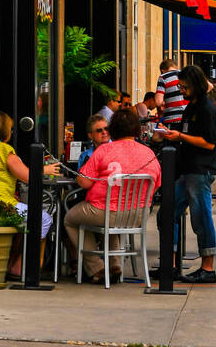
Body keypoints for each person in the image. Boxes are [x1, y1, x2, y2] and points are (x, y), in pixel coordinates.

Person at [67, 107, 161, 283]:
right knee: (109, 219)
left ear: (113, 129)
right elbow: (155, 185)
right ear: (136, 128)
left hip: (105, 212)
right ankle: (115, 265)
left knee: (70, 219)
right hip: (138, 215)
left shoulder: (103, 151)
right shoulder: (148, 153)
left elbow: (84, 182)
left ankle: (97, 267)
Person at [0, 110, 59, 275]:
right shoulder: (4, 150)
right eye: (11, 129)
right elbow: (28, 176)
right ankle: (23, 267)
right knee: (43, 218)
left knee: (23, 220)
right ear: (5, 132)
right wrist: (46, 169)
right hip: (0, 207)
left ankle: (10, 263)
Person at [154, 64, 216, 285]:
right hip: (185, 168)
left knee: (201, 217)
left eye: (184, 87)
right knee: (167, 213)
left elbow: (209, 143)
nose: (181, 91)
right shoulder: (191, 106)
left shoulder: (206, 108)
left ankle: (207, 268)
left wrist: (180, 137)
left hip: (200, 169)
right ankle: (170, 264)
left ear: (194, 85)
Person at [156, 58, 187, 129]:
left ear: (162, 70)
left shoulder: (163, 77)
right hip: (188, 119)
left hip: (172, 119)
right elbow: (210, 86)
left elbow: (158, 102)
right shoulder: (187, 74)